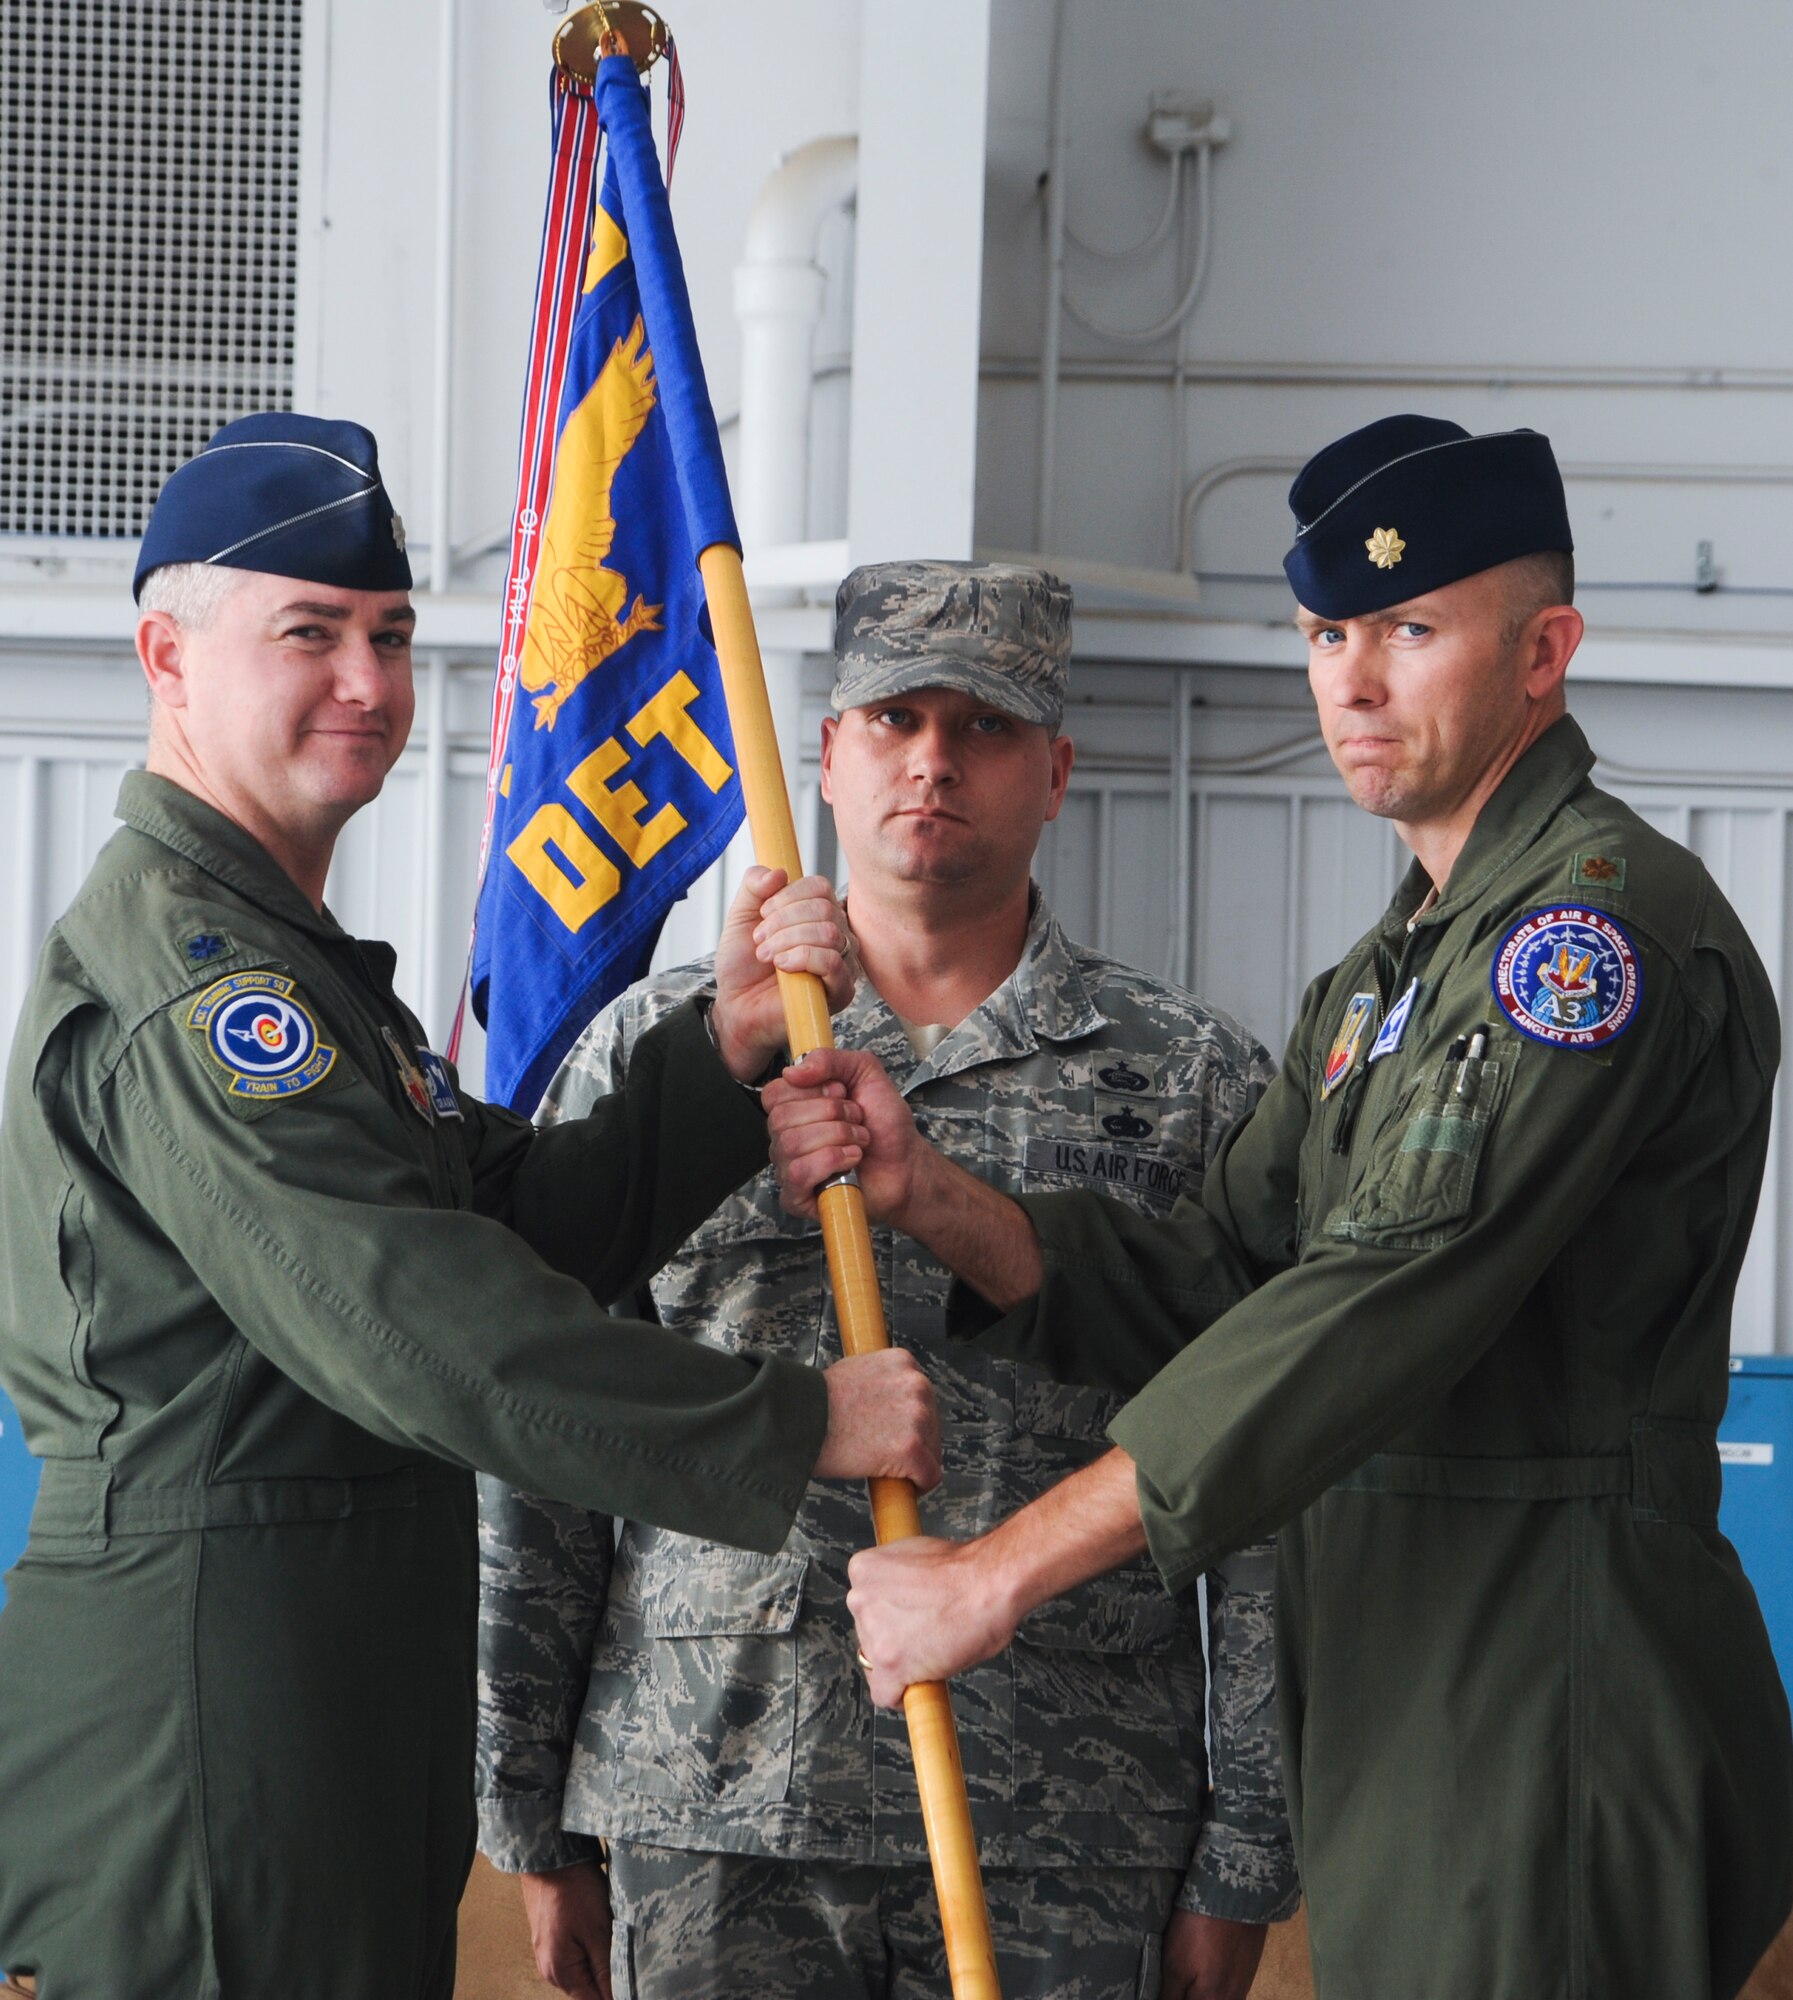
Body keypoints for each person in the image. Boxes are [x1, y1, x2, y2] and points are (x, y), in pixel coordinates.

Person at [771, 422, 1793, 2000]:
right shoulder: (1385, 976)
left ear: (1546, 652)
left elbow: (1373, 1302)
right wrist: (933, 1198)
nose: (1353, 682)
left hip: (1550, 1684)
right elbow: (1219, 1274)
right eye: (1327, 634)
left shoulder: (1582, 942)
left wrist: (998, 1574)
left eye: (1408, 629)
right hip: (1408, 1681)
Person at [0, 414, 939, 2000]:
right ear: (169, 655)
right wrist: (789, 1424)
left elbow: (498, 1225)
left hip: (334, 1654)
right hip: (212, 1675)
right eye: (308, 633)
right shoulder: (199, 982)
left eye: (388, 635)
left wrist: (718, 1057)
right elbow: (415, 1321)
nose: (368, 684)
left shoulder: (289, 959)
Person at [477, 560, 1298, 2000]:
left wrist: (1242, 1853)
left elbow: (1255, 1470)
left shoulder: (1190, 1083)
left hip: (1064, 1816)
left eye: (982, 727)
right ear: (828, 755)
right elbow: (546, 1442)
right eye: (893, 719)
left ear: (1055, 772)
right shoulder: (668, 1055)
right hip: (714, 1805)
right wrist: (530, 1814)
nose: (932, 760)